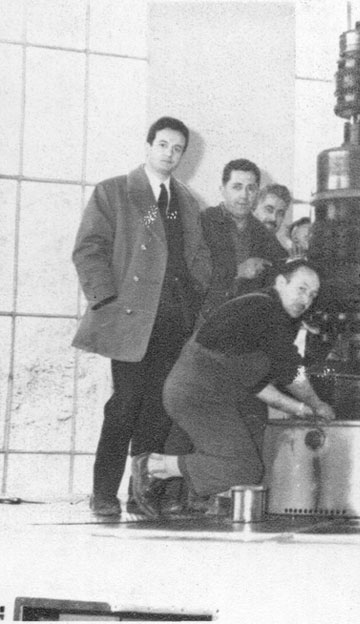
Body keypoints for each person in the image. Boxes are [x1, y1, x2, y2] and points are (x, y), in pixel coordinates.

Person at [71, 116, 211, 516]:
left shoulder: (185, 202)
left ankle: (140, 494)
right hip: (133, 319)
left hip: (173, 320)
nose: (170, 154)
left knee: (157, 409)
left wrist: (195, 293)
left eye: (178, 148)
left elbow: (196, 255)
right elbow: (90, 248)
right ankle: (103, 493)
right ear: (149, 146)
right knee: (126, 404)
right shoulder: (117, 193)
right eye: (163, 145)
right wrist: (105, 299)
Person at [131, 259, 336, 519]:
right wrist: (318, 404)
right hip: (196, 393)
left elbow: (257, 383)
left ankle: (161, 472)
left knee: (244, 465)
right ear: (281, 283)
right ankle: (152, 466)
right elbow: (291, 370)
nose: (306, 300)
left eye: (312, 295)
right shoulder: (265, 309)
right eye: (301, 289)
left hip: (205, 394)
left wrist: (301, 409)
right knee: (243, 467)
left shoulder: (268, 314)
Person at [197, 159, 288, 323]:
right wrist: (237, 271)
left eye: (251, 188)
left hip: (245, 325)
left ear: (257, 193)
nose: (244, 196)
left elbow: (283, 266)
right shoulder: (203, 222)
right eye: (237, 187)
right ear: (222, 190)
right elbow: (191, 272)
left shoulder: (263, 233)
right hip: (205, 323)